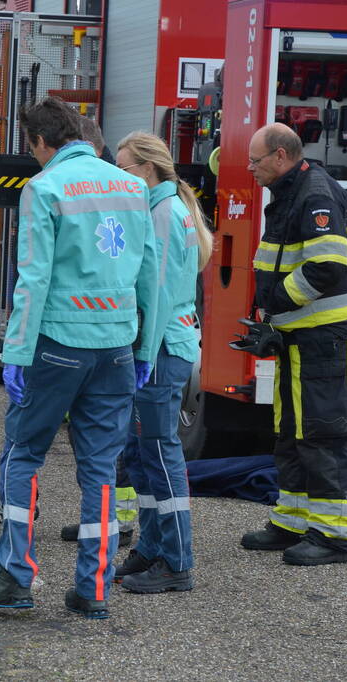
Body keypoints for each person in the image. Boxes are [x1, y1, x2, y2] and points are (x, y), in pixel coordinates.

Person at [0, 97, 160, 618]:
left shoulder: (44, 188)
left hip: (57, 347)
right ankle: (94, 589)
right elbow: (150, 276)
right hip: (117, 348)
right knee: (99, 468)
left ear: (39, 142)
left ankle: (14, 578)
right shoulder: (132, 187)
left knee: (23, 456)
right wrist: (145, 348)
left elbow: (33, 281)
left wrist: (15, 354)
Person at [239, 123, 347, 566]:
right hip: (299, 335)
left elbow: (326, 268)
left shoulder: (315, 195)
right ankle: (293, 519)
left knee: (322, 433)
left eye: (256, 159)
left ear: (281, 156)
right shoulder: (293, 191)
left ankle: (331, 535)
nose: (250, 167)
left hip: (321, 337)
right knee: (291, 430)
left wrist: (274, 302)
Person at [110, 132, 214, 593]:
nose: (119, 176)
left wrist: (143, 357)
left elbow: (159, 295)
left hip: (162, 350)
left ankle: (176, 562)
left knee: (158, 452)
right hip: (156, 348)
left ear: (148, 169)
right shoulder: (158, 208)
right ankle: (151, 549)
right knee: (142, 455)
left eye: (125, 168)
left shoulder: (166, 214)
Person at [60, 114, 135, 547]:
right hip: (117, 340)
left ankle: (110, 527)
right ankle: (105, 531)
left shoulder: (71, 189)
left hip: (89, 339)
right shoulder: (128, 193)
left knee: (106, 446)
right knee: (103, 444)